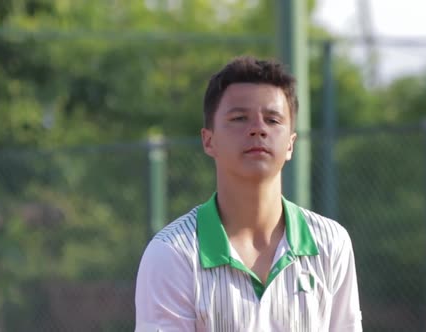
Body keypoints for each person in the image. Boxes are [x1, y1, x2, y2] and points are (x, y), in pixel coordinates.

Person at [134, 55, 362, 331]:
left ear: (291, 144)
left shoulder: (331, 243)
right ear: (209, 140)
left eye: (272, 120)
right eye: (240, 118)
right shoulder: (172, 253)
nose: (258, 129)